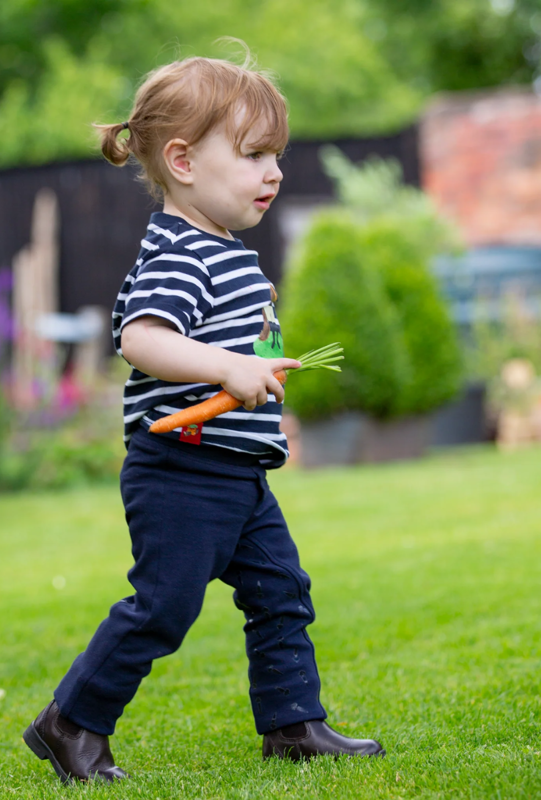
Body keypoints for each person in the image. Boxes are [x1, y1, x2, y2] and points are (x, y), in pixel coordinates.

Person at [23, 48, 385, 785]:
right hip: (182, 470)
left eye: (276, 156)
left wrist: (258, 365)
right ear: (183, 161)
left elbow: (229, 347)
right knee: (164, 608)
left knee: (282, 591)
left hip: (236, 474)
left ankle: (294, 724)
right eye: (254, 155)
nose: (274, 172)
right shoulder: (178, 252)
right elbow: (141, 339)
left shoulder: (228, 252)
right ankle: (70, 723)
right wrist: (226, 368)